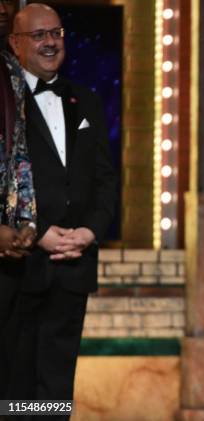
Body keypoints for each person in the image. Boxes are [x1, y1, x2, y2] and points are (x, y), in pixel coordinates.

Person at [6, 2, 117, 408]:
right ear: (15, 43)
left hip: (73, 268)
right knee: (15, 392)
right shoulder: (3, 103)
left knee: (56, 391)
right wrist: (38, 233)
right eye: (39, 35)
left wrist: (89, 232)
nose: (51, 42)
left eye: (57, 33)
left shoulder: (85, 100)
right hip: (18, 270)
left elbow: (105, 180)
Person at [0, 0, 37, 400]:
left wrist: (27, 223)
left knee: (16, 390)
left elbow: (21, 155)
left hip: (11, 258)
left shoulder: (13, 72)